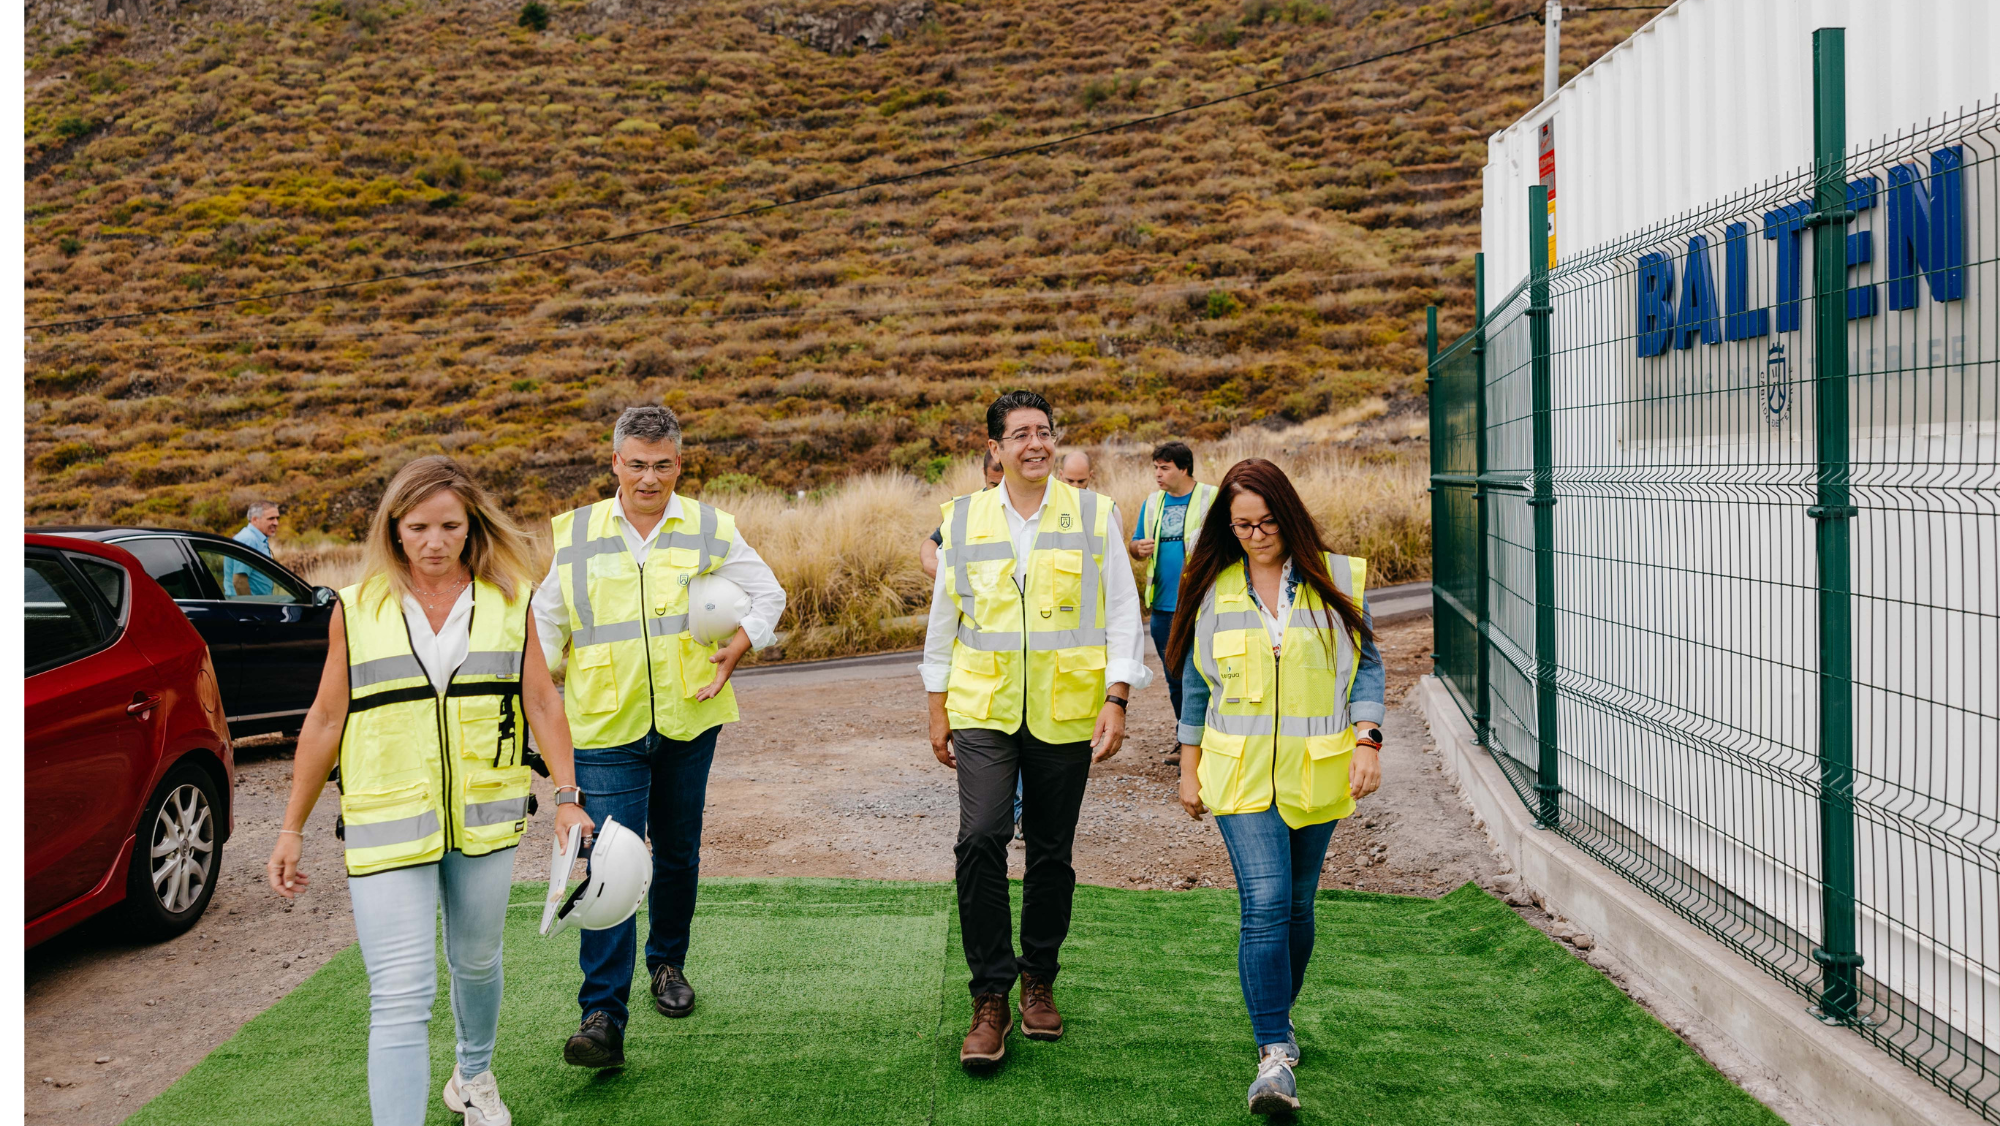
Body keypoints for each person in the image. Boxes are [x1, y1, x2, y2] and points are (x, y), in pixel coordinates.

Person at [265, 456, 595, 1126]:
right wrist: (291, 827)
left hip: (484, 818)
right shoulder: (355, 610)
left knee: (475, 963)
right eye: (418, 527)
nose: (435, 542)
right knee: (399, 994)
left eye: (450, 526)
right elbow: (326, 719)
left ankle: (472, 1076)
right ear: (393, 529)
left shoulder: (509, 601)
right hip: (386, 822)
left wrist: (567, 795)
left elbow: (541, 699)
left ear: (472, 527)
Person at [535, 405, 788, 1070]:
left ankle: (667, 965)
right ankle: (602, 1016)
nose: (650, 477)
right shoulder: (579, 534)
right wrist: (534, 711)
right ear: (614, 462)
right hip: (605, 728)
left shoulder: (709, 527)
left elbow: (771, 597)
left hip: (688, 717)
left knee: (677, 853)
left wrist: (738, 647)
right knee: (611, 864)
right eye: (637, 464)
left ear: (681, 462)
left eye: (663, 464)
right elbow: (543, 631)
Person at [924, 389, 1150, 1068]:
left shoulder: (1092, 513)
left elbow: (1120, 611)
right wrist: (936, 707)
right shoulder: (961, 521)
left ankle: (1039, 979)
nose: (1035, 444)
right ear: (993, 448)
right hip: (983, 710)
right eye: (1019, 434)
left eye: (1043, 432)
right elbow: (944, 622)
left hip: (1066, 710)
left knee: (1051, 851)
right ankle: (989, 996)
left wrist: (1117, 699)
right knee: (980, 838)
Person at [1163, 457, 1385, 1117]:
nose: (1255, 536)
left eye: (1265, 523)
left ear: (1287, 516)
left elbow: (1368, 667)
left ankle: (1278, 1022)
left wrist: (1368, 740)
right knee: (1263, 902)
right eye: (1241, 527)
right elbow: (1197, 689)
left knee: (1296, 905)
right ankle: (1273, 1057)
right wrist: (1187, 767)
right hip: (1239, 776)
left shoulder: (1337, 578)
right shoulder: (1212, 591)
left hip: (1317, 770)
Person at [1127, 442, 1218, 764]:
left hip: (1203, 605)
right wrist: (1136, 549)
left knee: (1209, 674)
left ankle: (1215, 742)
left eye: (1164, 468)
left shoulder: (1212, 497)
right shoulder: (1152, 503)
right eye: (1155, 467)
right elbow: (1135, 543)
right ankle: (1188, 741)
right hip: (1164, 609)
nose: (1157, 474)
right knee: (1175, 677)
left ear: (1184, 468)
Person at [921, 450, 1005, 580]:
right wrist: (929, 562)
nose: (1000, 492)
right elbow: (934, 541)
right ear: (984, 472)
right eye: (994, 485)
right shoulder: (964, 508)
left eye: (1006, 485)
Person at [228, 500, 281, 597]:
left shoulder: (257, 539)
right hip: (251, 609)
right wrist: (250, 610)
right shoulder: (248, 540)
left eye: (277, 518)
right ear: (255, 520)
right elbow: (239, 580)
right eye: (271, 518)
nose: (276, 523)